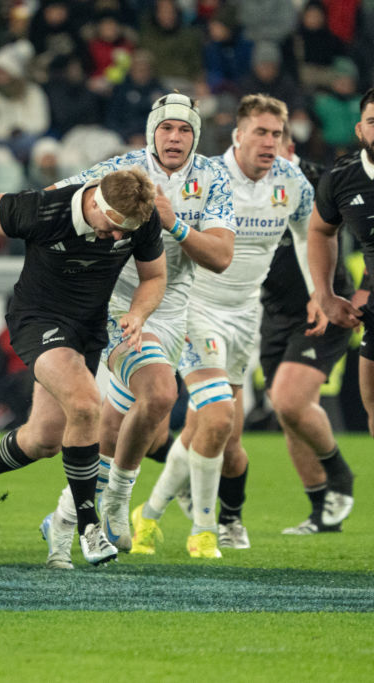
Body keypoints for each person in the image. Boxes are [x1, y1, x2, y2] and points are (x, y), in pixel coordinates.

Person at [0, 93, 235, 570]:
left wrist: (164, 242)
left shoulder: (180, 194)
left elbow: (187, 267)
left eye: (185, 129)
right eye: (166, 128)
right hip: (58, 314)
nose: (175, 137)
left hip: (131, 314)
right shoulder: (68, 199)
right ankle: (99, 519)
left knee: (45, 437)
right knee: (110, 401)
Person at [0, 166, 167, 567]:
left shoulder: (139, 220)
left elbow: (154, 276)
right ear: (95, 201)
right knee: (87, 404)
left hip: (87, 328)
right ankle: (89, 526)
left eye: (123, 233)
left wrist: (139, 313)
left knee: (43, 439)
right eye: (111, 227)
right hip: (37, 319)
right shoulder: (45, 209)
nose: (115, 238)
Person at [132, 94, 315, 558]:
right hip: (195, 306)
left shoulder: (293, 182)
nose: (270, 142)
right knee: (216, 418)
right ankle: (206, 528)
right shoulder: (208, 176)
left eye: (277, 134)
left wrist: (319, 293)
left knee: (214, 430)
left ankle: (148, 516)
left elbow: (309, 233)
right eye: (260, 132)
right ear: (238, 134)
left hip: (244, 315)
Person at [265, 126, 356, 535]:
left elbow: (347, 238)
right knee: (291, 416)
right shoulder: (238, 189)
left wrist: (328, 292)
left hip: (328, 310)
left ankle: (340, 477)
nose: (267, 151)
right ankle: (322, 513)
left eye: (274, 140)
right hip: (271, 315)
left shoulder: (322, 180)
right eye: (256, 140)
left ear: (290, 146)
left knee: (288, 400)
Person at [309, 87, 374, 439]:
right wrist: (325, 294)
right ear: (359, 131)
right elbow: (320, 232)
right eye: (373, 122)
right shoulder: (341, 179)